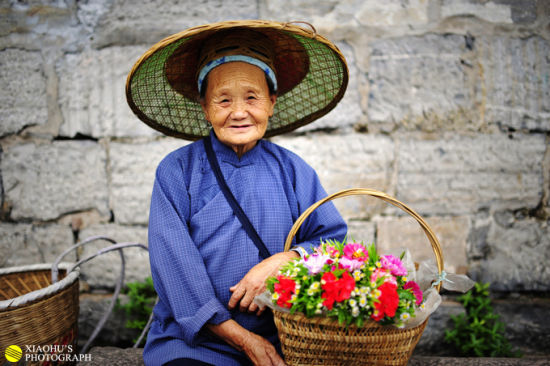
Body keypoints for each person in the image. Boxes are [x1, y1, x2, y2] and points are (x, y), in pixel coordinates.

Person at [126, 20, 350, 366]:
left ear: (272, 102)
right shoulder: (177, 171)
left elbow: (332, 242)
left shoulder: (294, 170)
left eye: (252, 97)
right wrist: (242, 338)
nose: (239, 112)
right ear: (204, 107)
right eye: (223, 99)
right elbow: (174, 266)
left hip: (285, 340)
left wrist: (284, 261)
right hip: (195, 343)